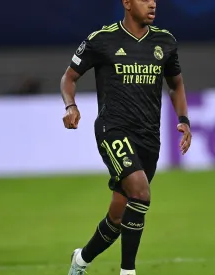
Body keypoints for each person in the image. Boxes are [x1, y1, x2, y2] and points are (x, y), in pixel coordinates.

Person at [59, 1, 192, 275]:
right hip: (113, 130)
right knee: (141, 193)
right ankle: (128, 271)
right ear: (128, 4)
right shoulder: (102, 40)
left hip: (149, 138)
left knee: (118, 217)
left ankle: (80, 261)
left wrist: (183, 120)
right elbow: (68, 78)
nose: (153, 3)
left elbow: (176, 83)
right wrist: (70, 105)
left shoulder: (165, 42)